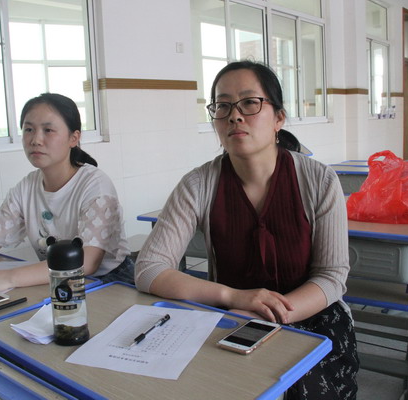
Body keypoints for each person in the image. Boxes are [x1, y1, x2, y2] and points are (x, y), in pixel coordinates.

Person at [135, 61, 358, 399]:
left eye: (250, 103)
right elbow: (149, 270)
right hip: (232, 317)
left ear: (278, 118)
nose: (234, 116)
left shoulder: (319, 180)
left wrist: (267, 315)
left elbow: (332, 277)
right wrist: (233, 297)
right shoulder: (198, 184)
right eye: (222, 106)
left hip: (311, 317)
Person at [0, 93, 133, 294]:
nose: (35, 140)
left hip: (108, 282)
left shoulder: (95, 186)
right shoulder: (26, 187)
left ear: (74, 138)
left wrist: (7, 277)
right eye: (29, 130)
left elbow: (88, 262)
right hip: (56, 280)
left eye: (48, 130)